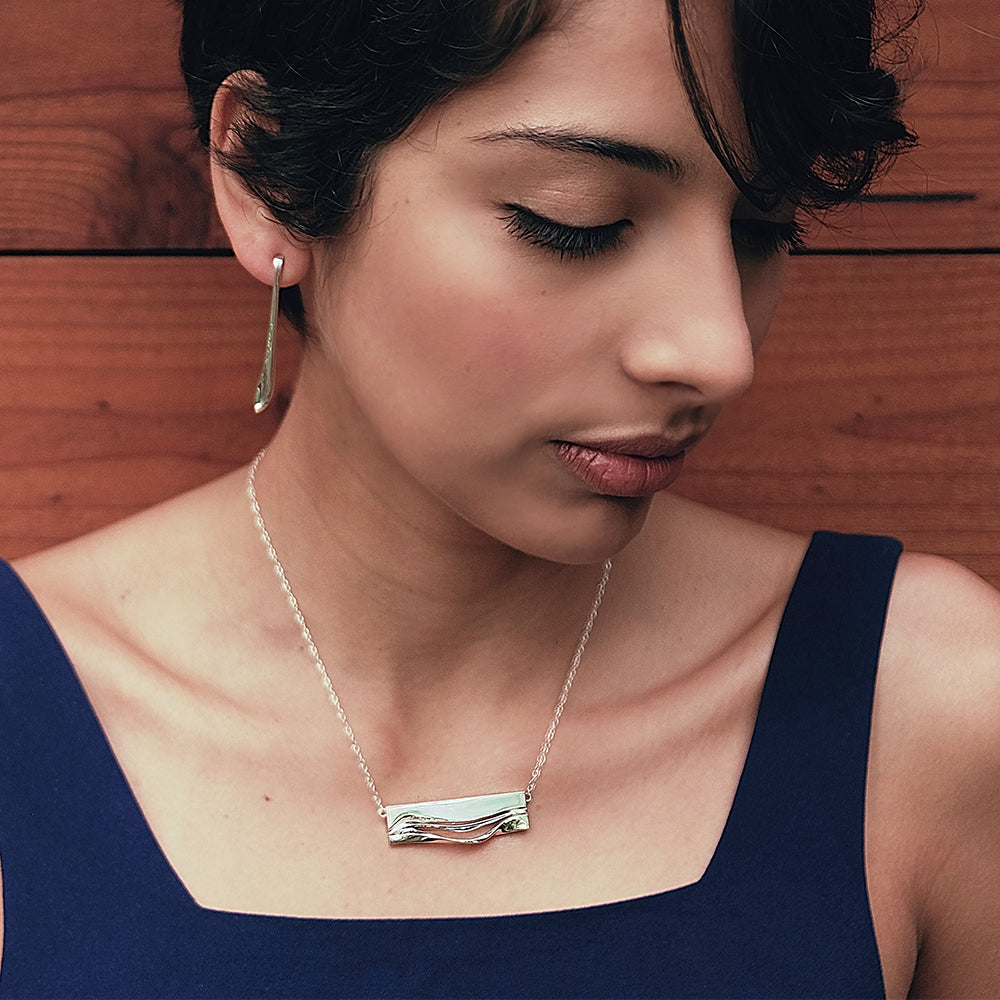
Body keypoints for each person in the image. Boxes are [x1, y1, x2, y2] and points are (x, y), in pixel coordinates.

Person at [1, 0, 998, 995]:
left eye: (759, 227)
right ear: (270, 175)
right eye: (576, 222)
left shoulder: (933, 707)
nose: (717, 350)